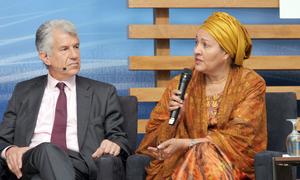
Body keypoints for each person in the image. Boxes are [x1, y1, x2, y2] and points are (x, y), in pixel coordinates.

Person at [136, 12, 267, 179]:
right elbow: (152, 142)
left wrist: (188, 144)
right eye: (196, 43)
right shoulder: (180, 85)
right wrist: (174, 120)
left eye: (205, 45)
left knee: (205, 153)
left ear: (226, 52)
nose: (196, 50)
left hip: (233, 165)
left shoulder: (250, 84)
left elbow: (240, 137)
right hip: (181, 166)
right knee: (201, 155)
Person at [0, 19, 130, 180]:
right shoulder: (23, 91)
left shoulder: (103, 93)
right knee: (46, 149)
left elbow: (120, 137)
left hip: (79, 164)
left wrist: (114, 143)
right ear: (45, 57)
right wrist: (10, 150)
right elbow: (2, 139)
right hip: (30, 161)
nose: (75, 55)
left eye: (76, 47)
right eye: (64, 49)